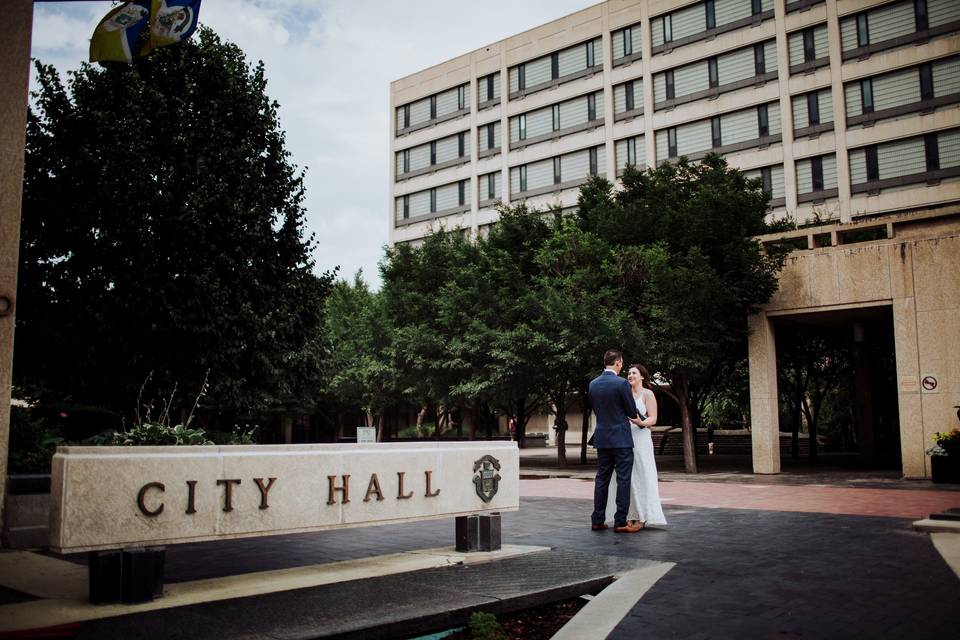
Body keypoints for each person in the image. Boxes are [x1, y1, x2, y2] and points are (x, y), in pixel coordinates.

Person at [605, 363, 667, 528]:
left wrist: (641, 422)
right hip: (623, 439)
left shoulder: (648, 394)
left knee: (642, 474)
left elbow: (653, 418)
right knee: (627, 478)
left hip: (641, 439)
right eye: (629, 373)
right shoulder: (624, 393)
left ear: (642, 377)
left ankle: (642, 516)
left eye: (634, 373)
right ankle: (629, 514)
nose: (630, 375)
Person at [589, 349, 641, 533]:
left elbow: (597, 409)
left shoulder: (593, 384)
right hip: (621, 439)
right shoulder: (621, 384)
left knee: (601, 479)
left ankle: (597, 519)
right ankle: (620, 522)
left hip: (602, 438)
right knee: (623, 480)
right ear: (617, 362)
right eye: (622, 363)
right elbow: (631, 412)